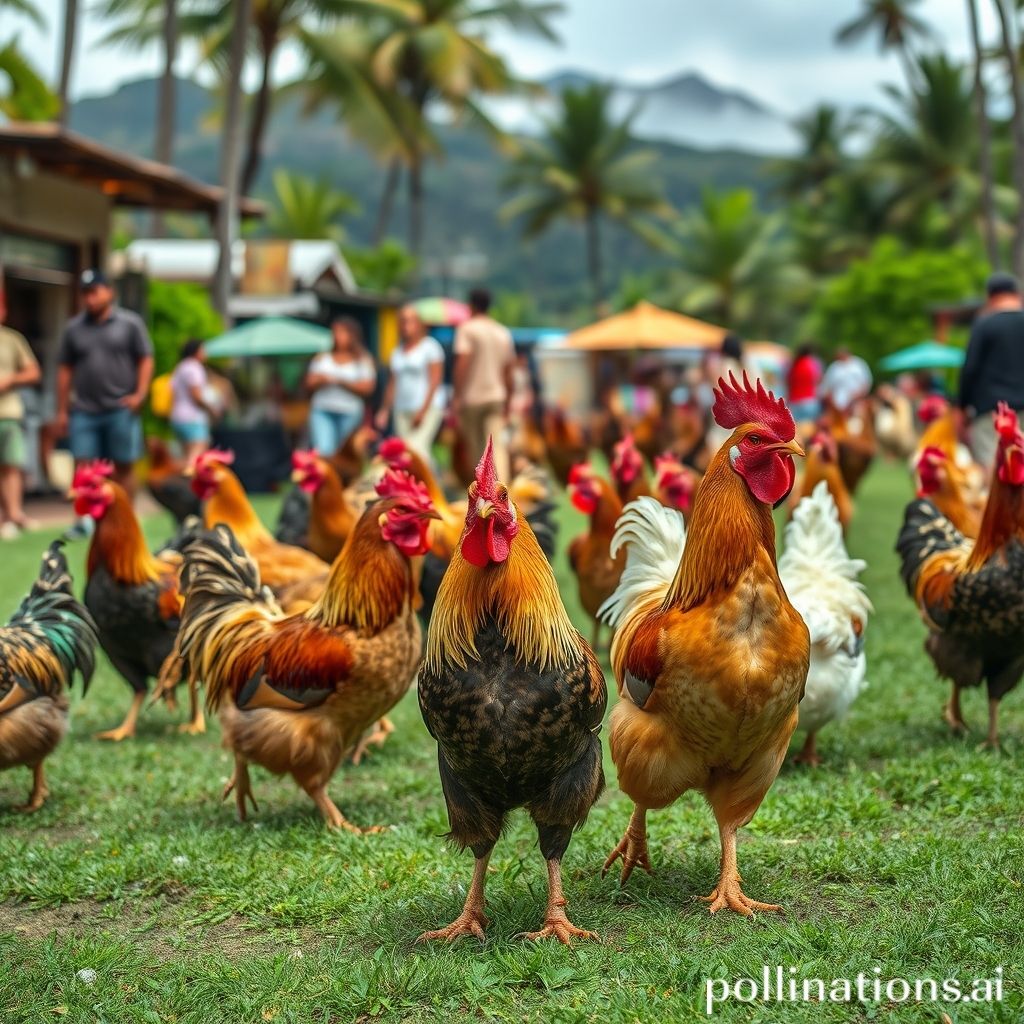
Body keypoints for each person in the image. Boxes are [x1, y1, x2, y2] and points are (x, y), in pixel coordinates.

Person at [56, 270, 154, 536]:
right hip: (84, 410)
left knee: (124, 464)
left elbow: (145, 358)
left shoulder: (130, 324)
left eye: (95, 291)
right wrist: (62, 410)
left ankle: (127, 515)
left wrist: (139, 394)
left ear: (110, 292)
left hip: (120, 408)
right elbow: (64, 370)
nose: (90, 298)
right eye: (85, 293)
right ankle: (84, 521)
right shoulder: (74, 328)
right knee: (84, 466)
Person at [959, 271, 1024, 468]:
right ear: (1017, 294)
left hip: (991, 413)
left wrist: (962, 407)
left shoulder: (984, 324)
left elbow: (970, 369)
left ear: (990, 296)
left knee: (991, 469)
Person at [452, 288, 515, 479]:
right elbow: (508, 371)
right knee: (497, 449)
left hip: (472, 398)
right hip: (496, 397)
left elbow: (463, 363)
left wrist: (456, 396)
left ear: (470, 306)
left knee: (478, 452)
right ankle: (503, 494)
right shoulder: (502, 332)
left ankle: (483, 494)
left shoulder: (467, 329)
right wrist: (509, 400)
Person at [376, 306, 445, 463]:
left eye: (409, 321)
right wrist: (384, 410)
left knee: (416, 449)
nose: (405, 325)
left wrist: (423, 411)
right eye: (402, 321)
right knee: (405, 452)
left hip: (427, 407)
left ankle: (430, 483)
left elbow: (435, 381)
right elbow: (393, 383)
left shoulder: (430, 347)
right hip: (402, 409)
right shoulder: (397, 351)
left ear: (418, 324)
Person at [0, 292, 42, 540]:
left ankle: (13, 515)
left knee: (11, 464)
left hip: (8, 413)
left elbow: (33, 372)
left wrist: (9, 380)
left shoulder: (12, 339)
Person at [305, 317, 376, 455]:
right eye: (335, 332)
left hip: (349, 411)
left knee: (345, 453)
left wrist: (340, 381)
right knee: (324, 450)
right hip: (323, 409)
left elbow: (368, 388)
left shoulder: (362, 359)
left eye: (341, 332)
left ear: (352, 335)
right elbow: (309, 382)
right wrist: (322, 380)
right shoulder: (323, 357)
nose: (337, 337)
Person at [169, 339, 220, 461]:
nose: (205, 353)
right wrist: (211, 409)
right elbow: (196, 395)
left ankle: (185, 480)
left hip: (177, 417)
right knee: (196, 458)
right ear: (196, 352)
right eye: (203, 350)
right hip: (192, 418)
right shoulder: (194, 368)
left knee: (186, 456)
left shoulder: (180, 367)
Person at [821, 347, 872, 413]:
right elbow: (826, 387)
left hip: (857, 403)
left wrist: (857, 396)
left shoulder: (859, 364)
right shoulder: (834, 367)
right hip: (837, 406)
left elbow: (866, 382)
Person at [787, 342, 823, 424]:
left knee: (796, 433)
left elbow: (789, 383)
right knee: (809, 432)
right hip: (810, 401)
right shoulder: (814, 363)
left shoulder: (794, 364)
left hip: (795, 402)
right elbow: (818, 380)